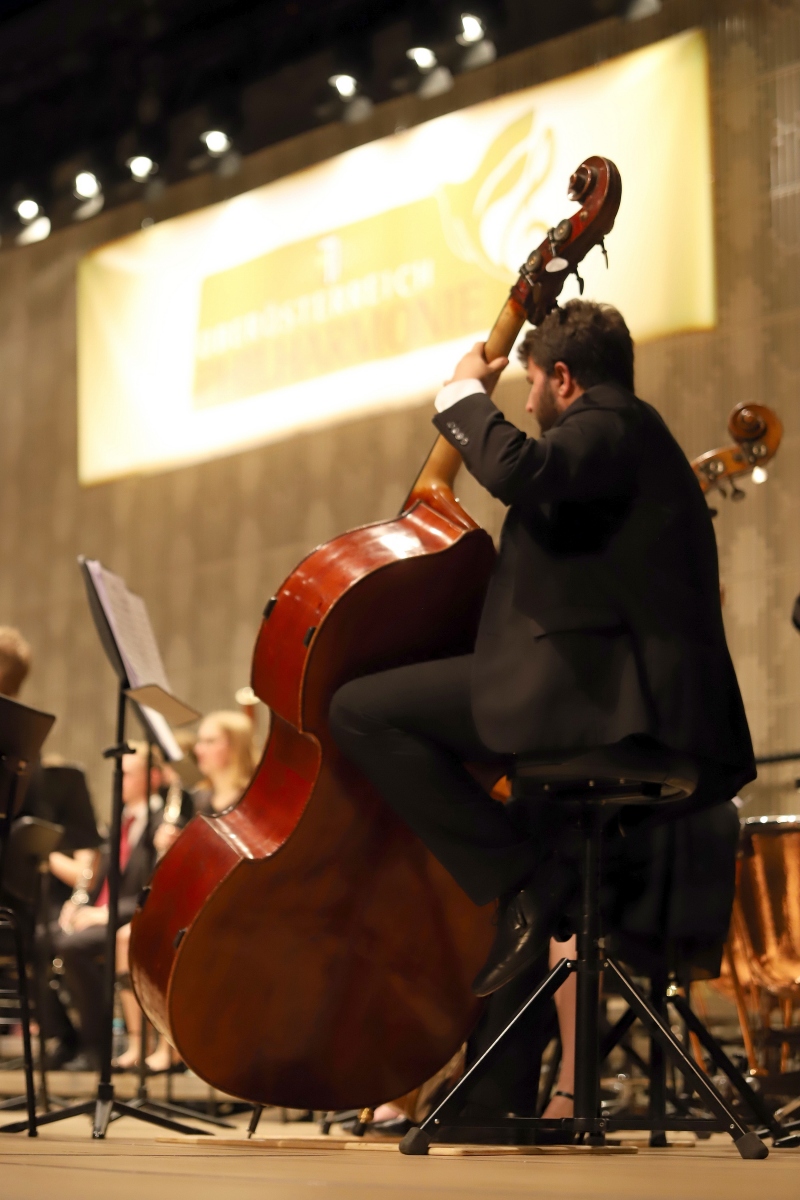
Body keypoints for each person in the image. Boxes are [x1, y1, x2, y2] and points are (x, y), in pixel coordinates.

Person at [329, 299, 755, 1003]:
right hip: (608, 698)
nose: (526, 405)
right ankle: (534, 894)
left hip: (597, 703)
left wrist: (463, 392)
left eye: (529, 385)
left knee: (361, 711)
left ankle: (526, 876)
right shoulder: (627, 443)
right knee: (510, 799)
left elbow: (515, 468)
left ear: (562, 377)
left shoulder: (611, 420)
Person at [42, 742, 162, 1071]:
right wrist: (78, 905)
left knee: (73, 946)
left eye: (128, 774)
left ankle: (97, 1046)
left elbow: (154, 890)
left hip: (135, 917)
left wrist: (103, 913)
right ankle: (66, 1037)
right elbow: (102, 881)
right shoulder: (118, 822)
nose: (119, 781)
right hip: (102, 914)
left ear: (153, 777)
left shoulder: (162, 822)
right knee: (38, 940)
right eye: (117, 774)